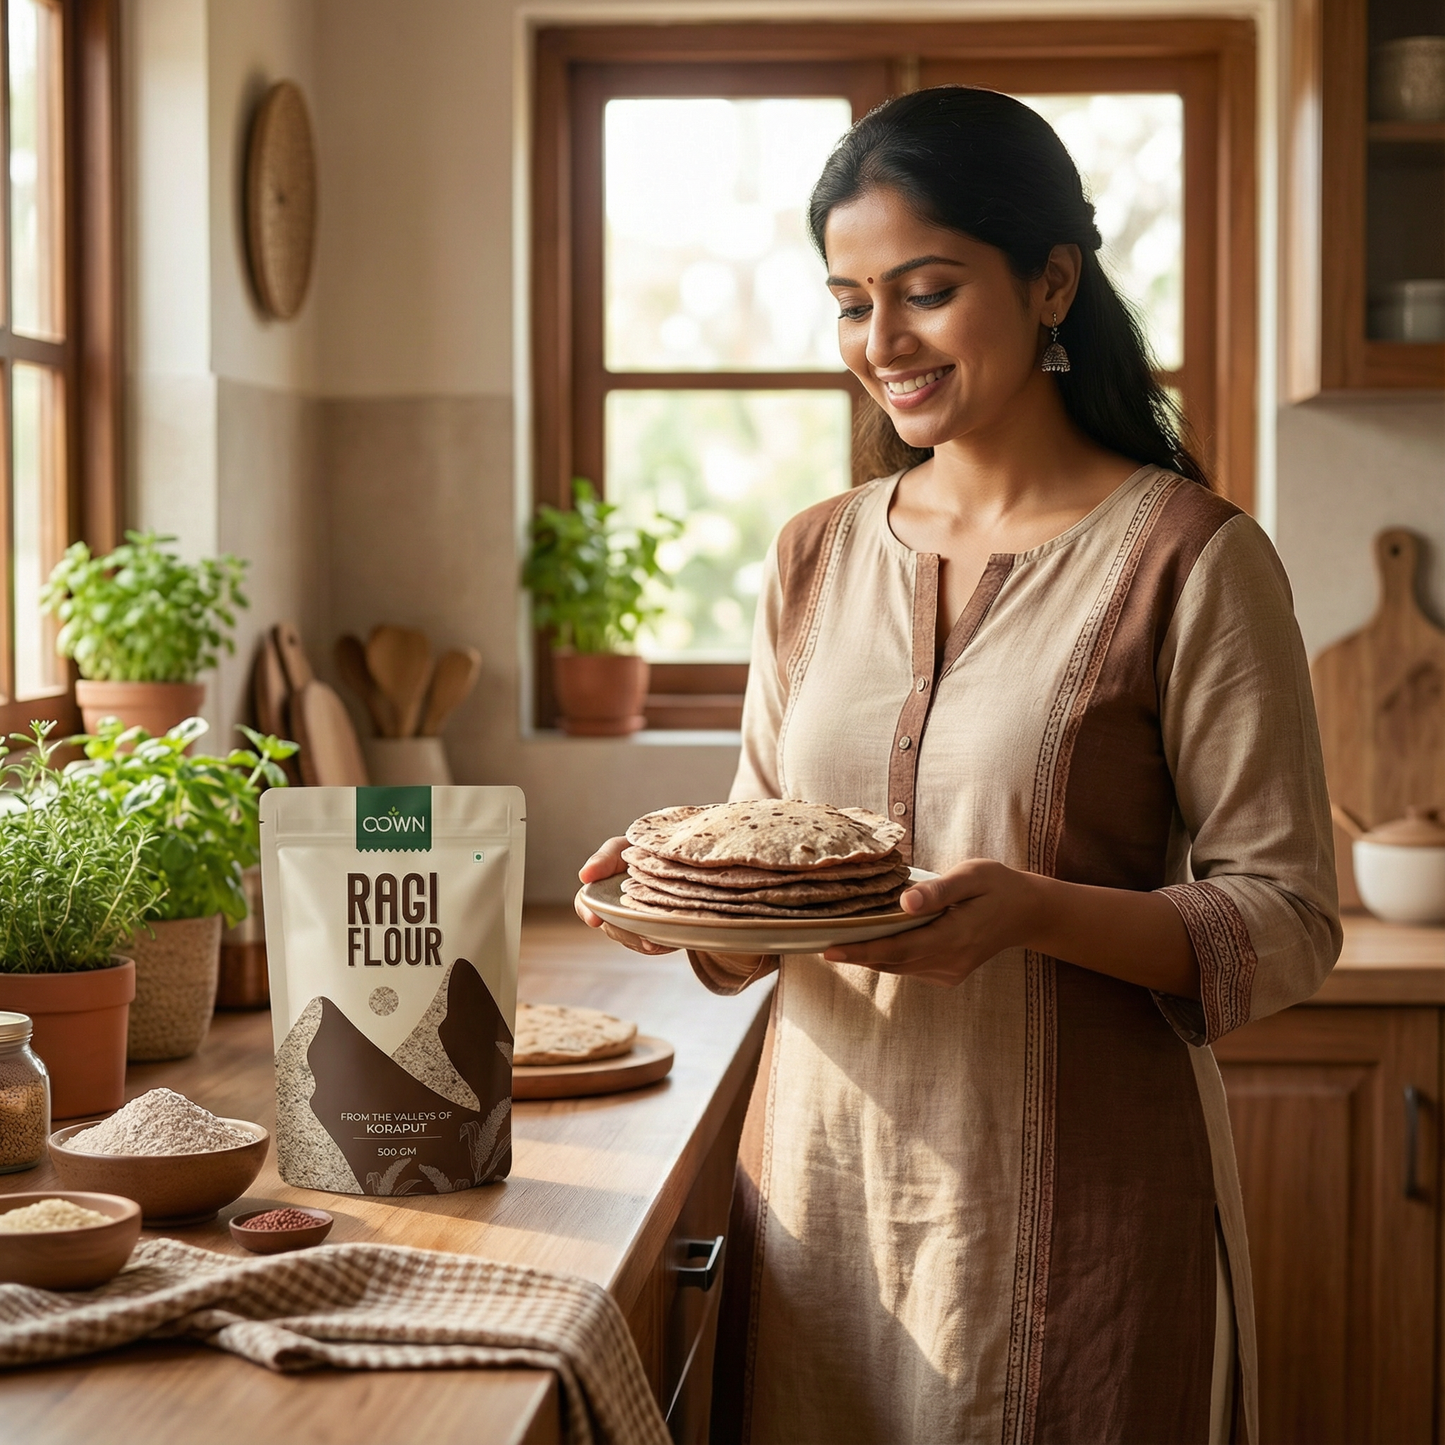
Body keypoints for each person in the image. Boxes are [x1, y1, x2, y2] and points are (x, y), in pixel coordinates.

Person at [577, 86, 1339, 1445]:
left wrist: (1035, 913)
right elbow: (765, 870)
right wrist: (681, 909)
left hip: (1087, 1225)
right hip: (821, 1205)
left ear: (1052, 283)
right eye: (850, 303)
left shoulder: (1193, 558)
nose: (883, 342)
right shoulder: (814, 555)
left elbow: (1285, 917)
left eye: (926, 291)